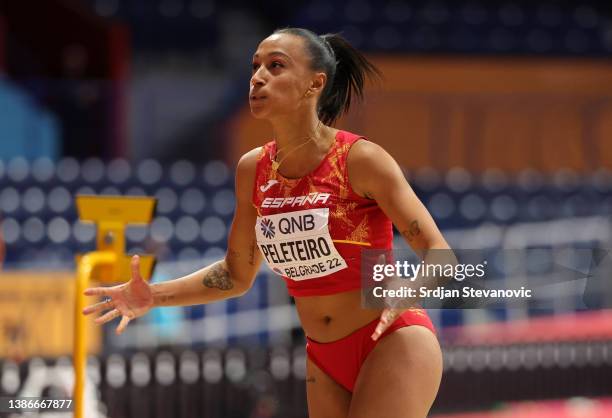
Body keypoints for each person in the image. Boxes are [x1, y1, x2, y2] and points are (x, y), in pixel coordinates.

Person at [83, 28, 451, 418]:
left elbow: (441, 256)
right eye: (255, 66)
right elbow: (236, 274)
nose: (258, 77)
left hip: (391, 341)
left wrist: (406, 293)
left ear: (315, 84)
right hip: (322, 356)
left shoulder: (361, 160)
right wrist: (153, 295)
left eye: (275, 66)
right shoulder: (252, 170)